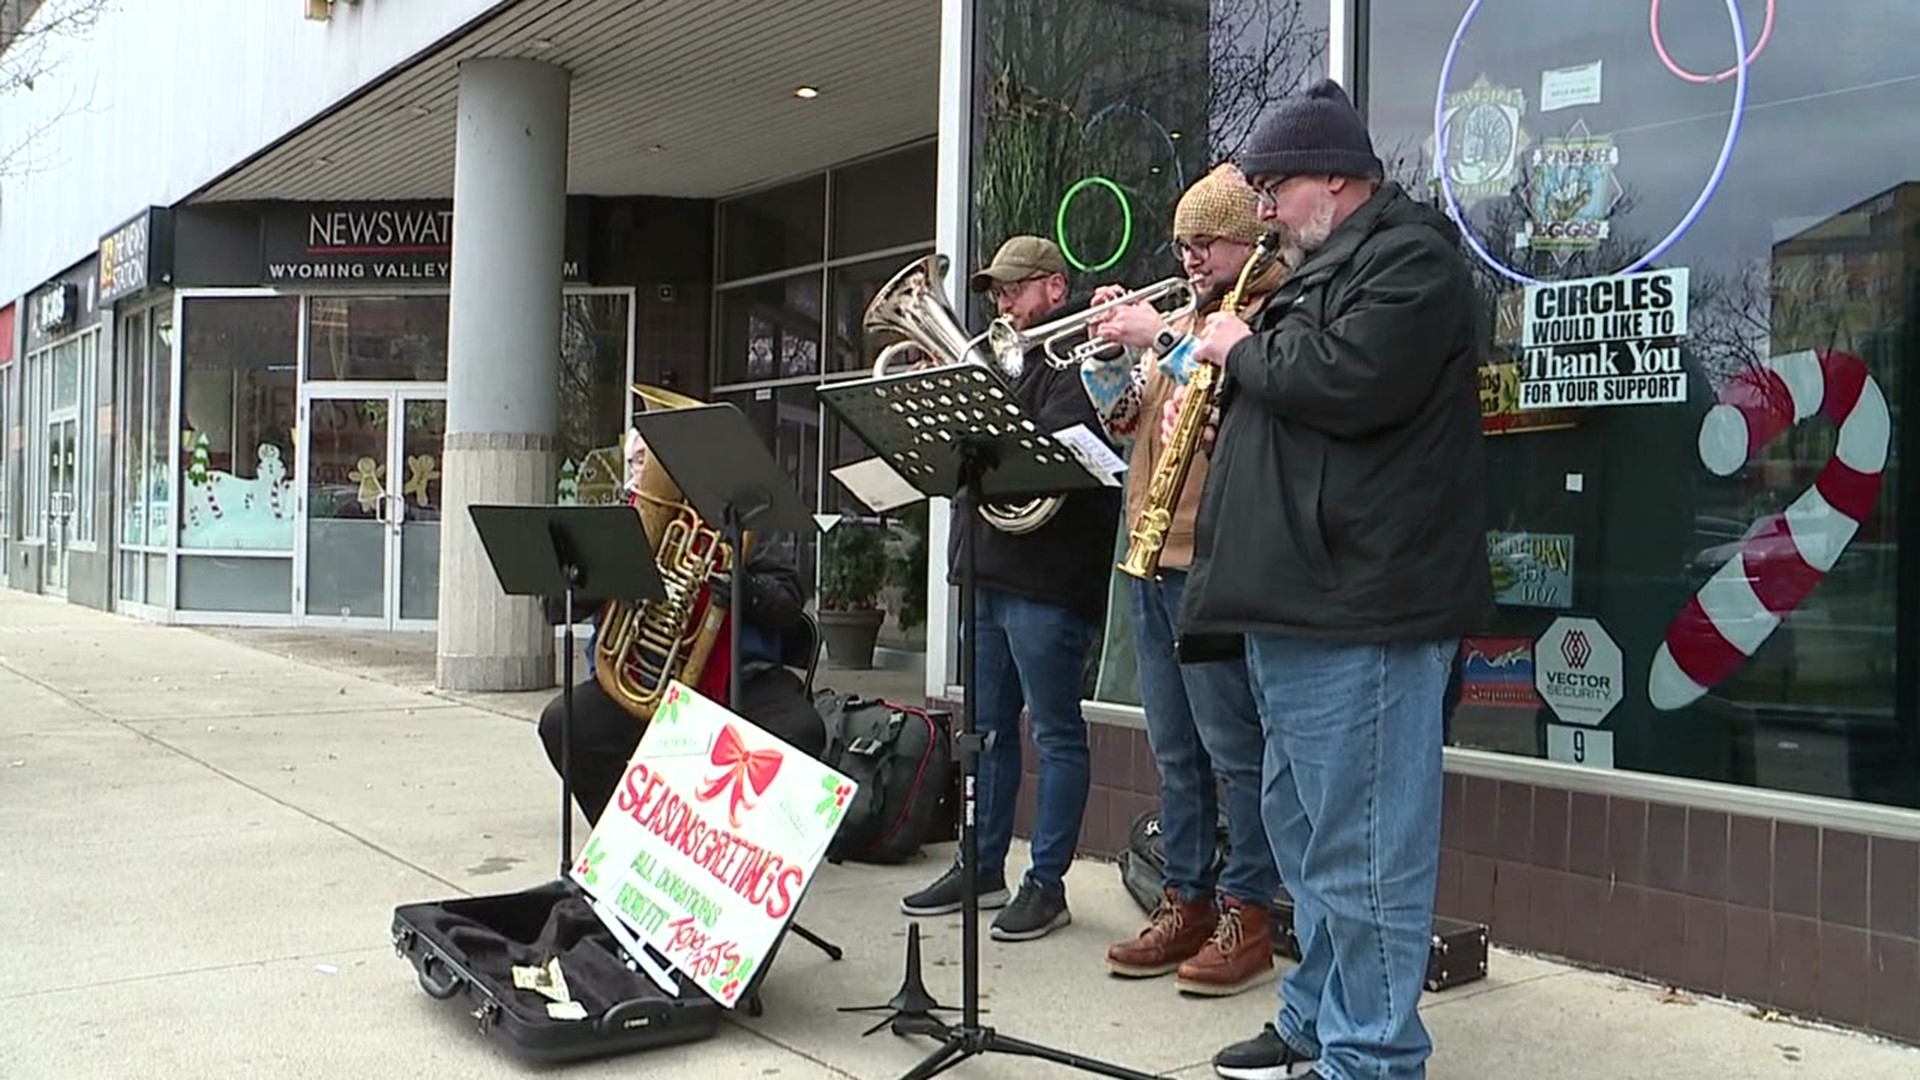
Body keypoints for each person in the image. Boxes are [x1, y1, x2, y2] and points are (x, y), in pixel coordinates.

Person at [1177, 80, 1493, 1080]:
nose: (1261, 208)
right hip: (1298, 608)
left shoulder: (1412, 263)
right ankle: (1316, 1019)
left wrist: (1240, 347)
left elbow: (1350, 382)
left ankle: (1372, 1057)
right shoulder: (1322, 268)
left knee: (1364, 859)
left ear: (1334, 179)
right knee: (1310, 840)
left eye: (1272, 186)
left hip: (1366, 612)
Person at [1077, 163, 1286, 997]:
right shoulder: (1192, 316)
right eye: (1184, 244)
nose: (1193, 258)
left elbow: (1237, 395)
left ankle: (1250, 911)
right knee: (1176, 751)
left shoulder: (1266, 315)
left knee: (1236, 751)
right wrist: (1103, 359)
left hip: (1213, 561)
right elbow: (1131, 421)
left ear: (1251, 239)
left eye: (1207, 243)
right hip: (1150, 555)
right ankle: (1188, 898)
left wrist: (1156, 339)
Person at [898, 235, 1123, 943]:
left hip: (1048, 577)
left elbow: (1050, 452)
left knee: (1055, 734)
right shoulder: (997, 359)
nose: (1002, 303)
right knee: (985, 734)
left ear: (1056, 289)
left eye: (1014, 290)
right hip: (987, 568)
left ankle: (1046, 882)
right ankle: (981, 863)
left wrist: (981, 400)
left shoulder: (1081, 359)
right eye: (995, 292)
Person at [536, 444, 826, 827]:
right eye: (634, 461)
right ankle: (628, 835)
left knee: (801, 731)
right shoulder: (617, 525)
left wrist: (744, 588)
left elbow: (788, 602)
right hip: (641, 680)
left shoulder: (737, 523)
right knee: (565, 723)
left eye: (646, 460)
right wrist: (601, 574)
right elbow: (556, 608)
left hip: (736, 679)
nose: (638, 471)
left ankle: (732, 845)